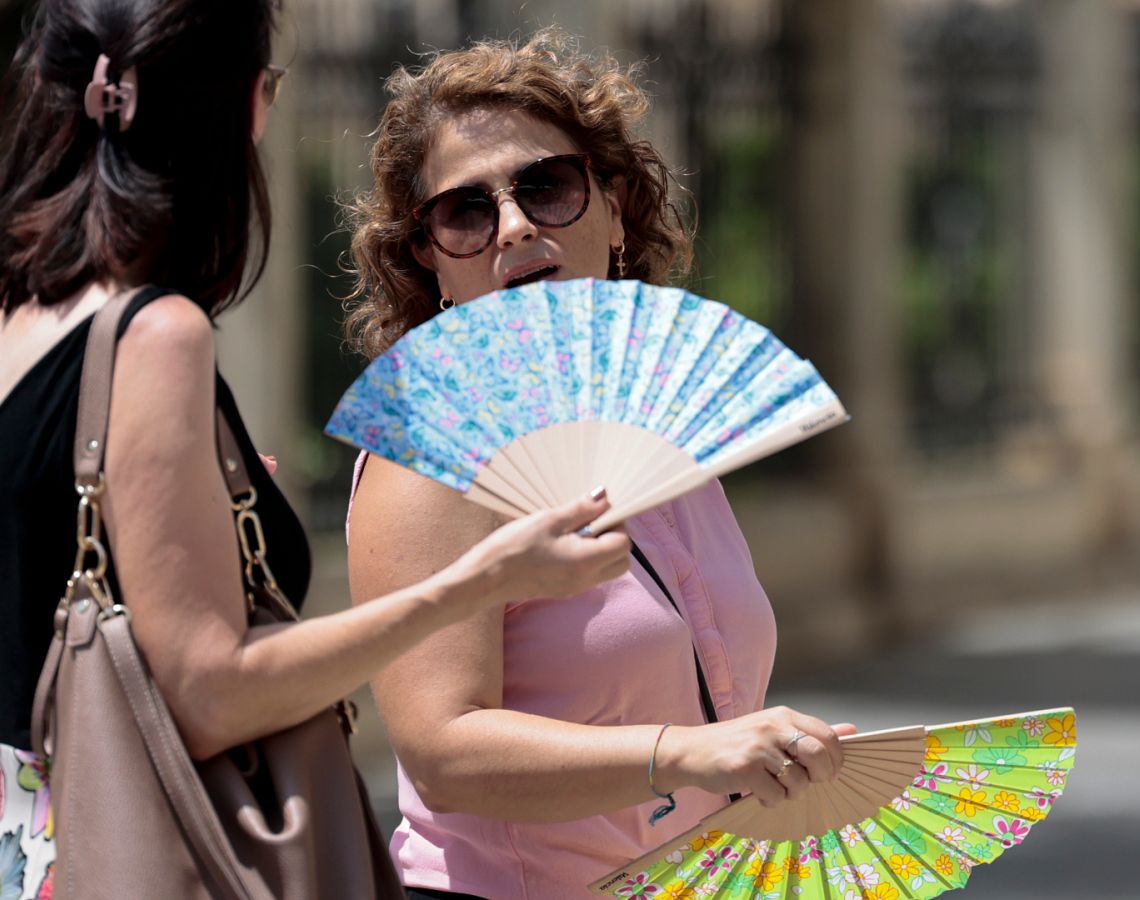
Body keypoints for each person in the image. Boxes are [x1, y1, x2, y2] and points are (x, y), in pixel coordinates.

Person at [0, 4, 630, 897]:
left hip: (26, 856)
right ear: (241, 108)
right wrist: (479, 580)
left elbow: (39, 559)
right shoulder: (153, 335)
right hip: (152, 850)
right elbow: (215, 694)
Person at [342, 29, 856, 900]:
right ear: (430, 255)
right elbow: (442, 752)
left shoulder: (662, 425)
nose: (513, 226)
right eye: (465, 211)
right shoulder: (431, 445)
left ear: (615, 208)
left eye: (547, 187)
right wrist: (683, 753)